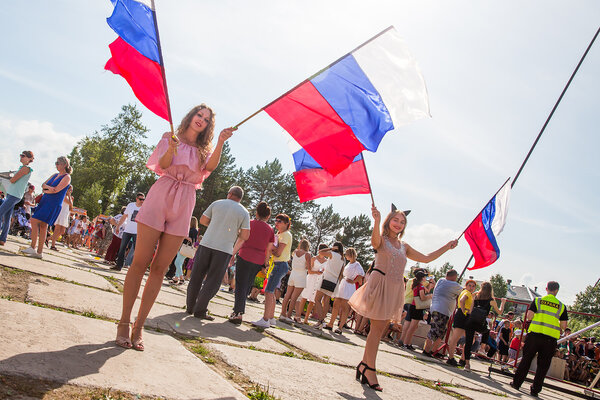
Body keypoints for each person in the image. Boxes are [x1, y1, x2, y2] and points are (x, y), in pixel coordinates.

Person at [116, 105, 236, 351]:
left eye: (206, 119)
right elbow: (162, 165)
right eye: (198, 115)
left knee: (160, 268)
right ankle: (124, 322)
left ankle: (139, 326)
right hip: (162, 193)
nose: (201, 120)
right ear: (191, 116)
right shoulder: (170, 137)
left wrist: (221, 141)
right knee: (139, 262)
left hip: (185, 202)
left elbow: (209, 169)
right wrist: (171, 148)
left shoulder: (204, 150)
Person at [349, 205, 457, 391]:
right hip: (379, 285)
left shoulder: (404, 246)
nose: (398, 224)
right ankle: (370, 369)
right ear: (388, 221)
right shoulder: (382, 239)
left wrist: (447, 247)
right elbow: (374, 243)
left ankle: (364, 365)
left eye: (402, 221)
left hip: (395, 288)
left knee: (379, 329)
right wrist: (376, 221)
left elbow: (426, 258)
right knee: (376, 330)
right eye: (395, 220)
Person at [186, 186, 250, 320]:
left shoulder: (217, 203)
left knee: (196, 277)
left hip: (206, 244)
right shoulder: (244, 212)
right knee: (213, 281)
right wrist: (234, 231)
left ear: (230, 194)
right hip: (224, 249)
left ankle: (190, 306)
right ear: (240, 198)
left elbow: (203, 220)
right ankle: (200, 309)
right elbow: (245, 235)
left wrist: (216, 224)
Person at [511, 281, 568, 397]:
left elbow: (529, 316)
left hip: (535, 336)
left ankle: (516, 383)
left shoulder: (538, 300)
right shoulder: (562, 306)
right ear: (557, 290)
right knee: (543, 366)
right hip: (550, 339)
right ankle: (535, 390)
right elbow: (563, 326)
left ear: (546, 288)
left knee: (526, 360)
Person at [229, 202, 275, 324]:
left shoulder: (249, 224)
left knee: (240, 285)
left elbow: (241, 240)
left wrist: (232, 253)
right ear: (268, 216)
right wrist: (265, 265)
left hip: (245, 256)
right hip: (258, 260)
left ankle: (238, 313)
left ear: (257, 213)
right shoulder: (270, 230)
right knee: (248, 285)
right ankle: (239, 310)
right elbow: (268, 250)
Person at [21, 156, 71, 259]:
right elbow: (43, 185)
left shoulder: (67, 177)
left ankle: (33, 247)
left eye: (58, 163)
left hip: (53, 203)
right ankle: (39, 252)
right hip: (45, 200)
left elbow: (56, 190)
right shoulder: (55, 175)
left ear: (64, 164)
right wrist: (48, 189)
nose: (56, 165)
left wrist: (47, 189)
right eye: (56, 163)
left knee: (34, 220)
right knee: (43, 226)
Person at [252, 213, 292, 328]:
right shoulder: (280, 234)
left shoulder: (285, 235)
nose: (277, 223)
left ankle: (265, 319)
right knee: (271, 292)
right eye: (276, 220)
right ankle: (270, 318)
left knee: (269, 292)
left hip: (280, 264)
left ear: (286, 223)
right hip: (278, 265)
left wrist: (270, 248)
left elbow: (278, 253)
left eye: (280, 221)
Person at [459, 281, 506, 371]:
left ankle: (467, 365)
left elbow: (470, 310)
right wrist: (503, 303)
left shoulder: (476, 296)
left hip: (471, 321)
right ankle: (482, 348)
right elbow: (500, 312)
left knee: (468, 343)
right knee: (487, 330)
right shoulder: (491, 300)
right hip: (480, 323)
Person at [422, 269, 463, 357]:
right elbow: (463, 292)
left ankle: (432, 351)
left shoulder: (441, 280)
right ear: (455, 277)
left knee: (441, 332)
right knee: (435, 331)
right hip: (442, 311)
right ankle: (426, 350)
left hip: (437, 309)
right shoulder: (454, 285)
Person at [325, 248, 364, 333]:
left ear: (350, 255)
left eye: (346, 254)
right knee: (335, 304)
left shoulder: (357, 265)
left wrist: (353, 281)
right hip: (343, 284)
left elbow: (361, 275)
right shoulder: (349, 264)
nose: (345, 256)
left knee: (345, 307)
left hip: (349, 286)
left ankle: (340, 327)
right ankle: (331, 323)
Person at [0, 150, 34, 246]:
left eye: (23, 155)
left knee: (0, 212)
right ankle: (3, 239)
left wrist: (12, 178)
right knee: (7, 217)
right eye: (20, 155)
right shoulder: (21, 168)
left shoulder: (26, 168)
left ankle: (2, 238)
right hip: (12, 194)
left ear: (28, 158)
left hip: (15, 195)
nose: (21, 157)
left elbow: (13, 180)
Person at [313, 242, 345, 329]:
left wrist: (331, 248)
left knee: (317, 299)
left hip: (327, 278)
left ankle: (320, 320)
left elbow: (320, 252)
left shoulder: (333, 254)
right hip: (334, 281)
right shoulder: (343, 259)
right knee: (326, 301)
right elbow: (341, 273)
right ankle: (322, 320)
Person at [279, 239, 311, 323]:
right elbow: (308, 268)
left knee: (287, 295)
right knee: (294, 298)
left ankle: (282, 313)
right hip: (301, 276)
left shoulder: (295, 252)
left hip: (293, 274)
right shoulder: (307, 254)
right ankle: (289, 315)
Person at [446, 279, 477, 366]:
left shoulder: (468, 293)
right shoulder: (466, 293)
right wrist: (464, 311)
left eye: (473, 286)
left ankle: (462, 358)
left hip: (464, 315)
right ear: (466, 286)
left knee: (470, 339)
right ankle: (451, 357)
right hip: (463, 315)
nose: (471, 287)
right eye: (469, 285)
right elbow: (462, 301)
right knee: (456, 338)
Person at [111, 193, 145, 271]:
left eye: (143, 200)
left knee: (136, 250)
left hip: (137, 232)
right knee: (122, 248)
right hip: (127, 230)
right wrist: (118, 226)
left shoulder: (144, 208)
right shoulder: (130, 205)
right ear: (137, 199)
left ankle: (134, 267)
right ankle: (119, 266)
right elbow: (124, 216)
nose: (142, 201)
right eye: (141, 199)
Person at [296, 244, 328, 325]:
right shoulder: (313, 258)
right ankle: (298, 316)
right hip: (311, 279)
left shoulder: (326, 261)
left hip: (319, 280)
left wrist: (321, 273)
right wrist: (317, 272)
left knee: (312, 301)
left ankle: (306, 319)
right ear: (320, 250)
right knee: (304, 297)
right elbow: (309, 271)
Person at [402, 271, 433, 350]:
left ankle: (407, 342)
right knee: (413, 327)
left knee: (411, 326)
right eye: (425, 277)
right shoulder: (421, 286)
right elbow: (422, 297)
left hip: (413, 305)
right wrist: (429, 296)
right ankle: (406, 343)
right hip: (417, 307)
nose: (426, 278)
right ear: (422, 278)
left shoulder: (415, 285)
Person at [170, 216, 200, 285]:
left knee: (177, 262)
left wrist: (184, 236)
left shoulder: (193, 230)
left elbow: (192, 240)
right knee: (179, 263)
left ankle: (181, 278)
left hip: (185, 248)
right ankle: (176, 278)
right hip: (184, 248)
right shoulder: (193, 230)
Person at [49, 185, 73, 251]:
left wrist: (70, 196)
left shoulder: (69, 197)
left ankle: (48, 239)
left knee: (62, 231)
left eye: (71, 190)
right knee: (57, 230)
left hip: (65, 214)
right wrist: (69, 196)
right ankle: (53, 245)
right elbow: (69, 203)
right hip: (61, 213)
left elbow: (71, 207)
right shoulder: (64, 196)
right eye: (70, 190)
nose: (70, 191)